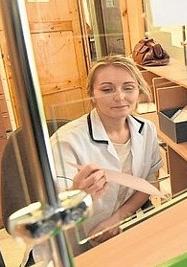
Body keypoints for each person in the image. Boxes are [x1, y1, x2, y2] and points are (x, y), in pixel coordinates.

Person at [50, 55, 163, 249]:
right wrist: (77, 195)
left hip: (123, 229)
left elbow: (148, 185)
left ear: (138, 91)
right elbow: (56, 213)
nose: (119, 97)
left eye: (128, 87)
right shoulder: (67, 141)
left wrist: (117, 219)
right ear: (91, 95)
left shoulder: (147, 129)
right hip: (77, 239)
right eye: (107, 89)